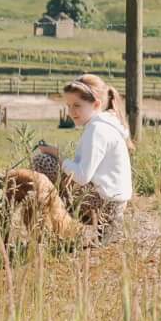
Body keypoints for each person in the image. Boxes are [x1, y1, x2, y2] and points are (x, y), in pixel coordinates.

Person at [27, 73, 134, 241]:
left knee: (42, 162)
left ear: (96, 104)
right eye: (69, 106)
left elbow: (82, 176)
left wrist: (58, 155)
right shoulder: (105, 125)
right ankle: (55, 225)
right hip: (113, 203)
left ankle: (50, 227)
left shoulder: (97, 130)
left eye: (77, 105)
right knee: (50, 165)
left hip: (104, 205)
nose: (71, 112)